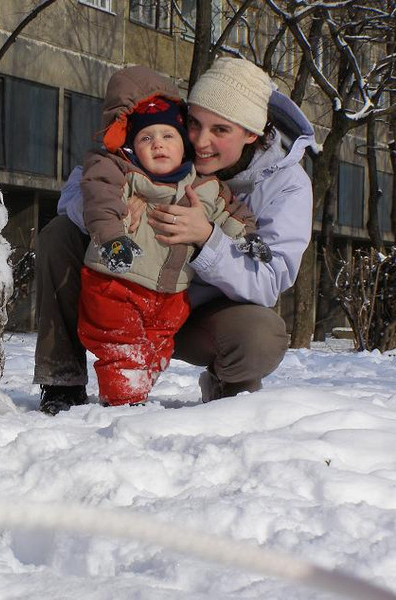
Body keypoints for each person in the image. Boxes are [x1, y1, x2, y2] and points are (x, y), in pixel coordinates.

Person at [34, 57, 316, 416]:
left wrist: (207, 238)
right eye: (194, 123)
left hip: (193, 313)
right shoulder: (163, 136)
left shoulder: (287, 186)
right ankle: (62, 381)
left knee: (261, 336)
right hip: (125, 296)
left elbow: (269, 279)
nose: (200, 141)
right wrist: (119, 210)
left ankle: (232, 391)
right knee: (59, 234)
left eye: (220, 130)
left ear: (250, 134)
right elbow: (78, 189)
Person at [78, 65, 270, 407]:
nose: (158, 146)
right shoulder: (125, 172)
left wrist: (241, 237)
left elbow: (233, 215)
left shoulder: (205, 187)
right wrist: (113, 233)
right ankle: (123, 399)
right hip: (117, 282)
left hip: (172, 295)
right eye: (146, 138)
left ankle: (139, 385)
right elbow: (97, 194)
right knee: (121, 343)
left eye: (168, 137)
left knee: (156, 346)